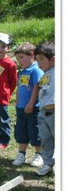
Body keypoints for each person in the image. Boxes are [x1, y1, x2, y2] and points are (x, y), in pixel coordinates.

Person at [12, 42, 44, 167]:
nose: (19, 61)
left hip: (33, 108)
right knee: (21, 131)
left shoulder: (35, 70)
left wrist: (31, 103)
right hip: (21, 108)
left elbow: (37, 87)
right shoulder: (23, 71)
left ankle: (38, 154)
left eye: (21, 57)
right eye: (18, 58)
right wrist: (18, 101)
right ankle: (21, 153)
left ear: (32, 56)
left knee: (35, 130)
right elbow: (20, 87)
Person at [34, 42, 55, 176]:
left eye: (42, 59)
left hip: (55, 113)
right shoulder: (44, 74)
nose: (39, 63)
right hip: (43, 112)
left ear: (53, 59)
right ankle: (47, 163)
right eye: (37, 59)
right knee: (45, 139)